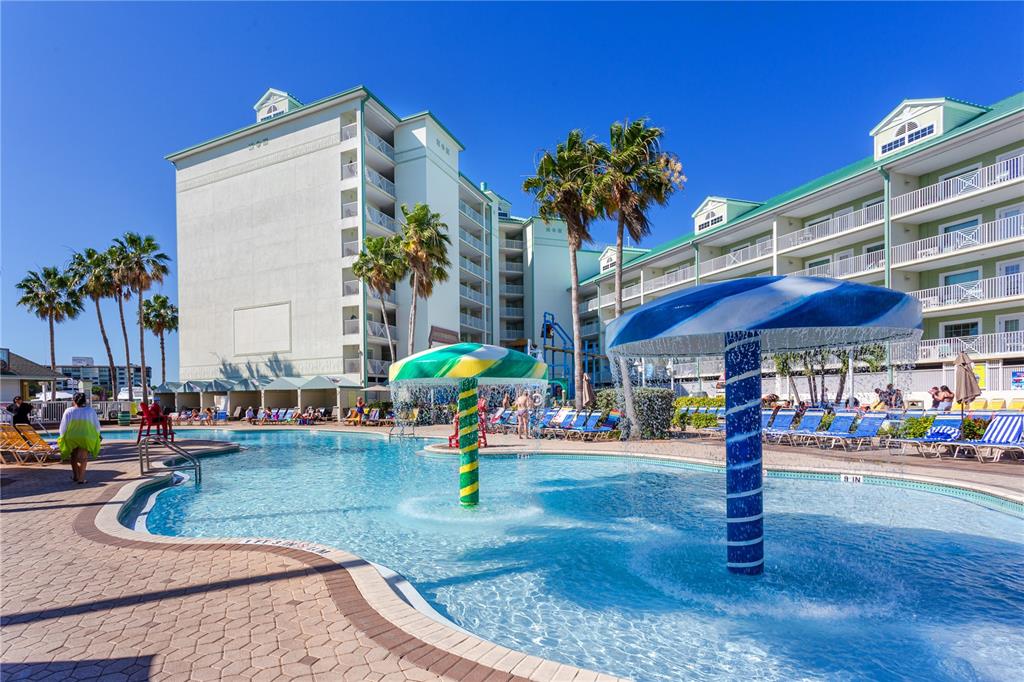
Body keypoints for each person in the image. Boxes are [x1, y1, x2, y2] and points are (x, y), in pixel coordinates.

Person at [57, 393, 101, 484]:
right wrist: (98, 435)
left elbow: (63, 426)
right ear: (85, 401)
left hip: (71, 437)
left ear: (73, 400)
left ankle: (76, 476)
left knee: (73, 457)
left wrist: (62, 436)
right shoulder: (90, 411)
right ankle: (81, 479)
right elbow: (96, 425)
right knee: (83, 459)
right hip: (85, 436)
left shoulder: (68, 411)